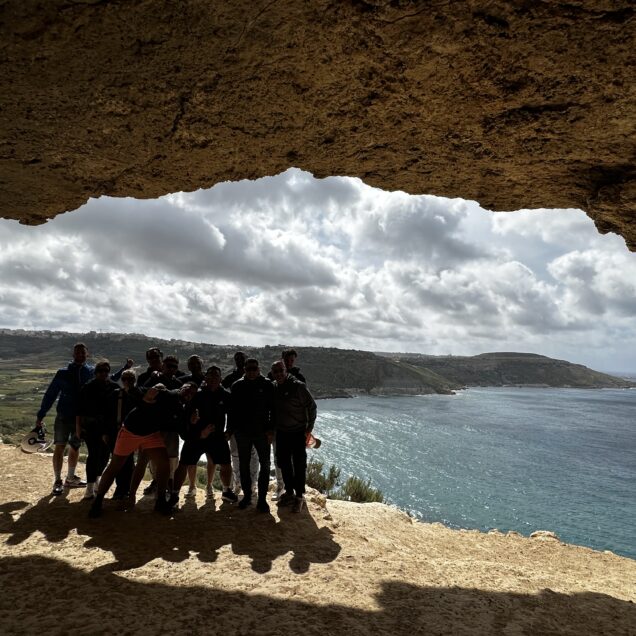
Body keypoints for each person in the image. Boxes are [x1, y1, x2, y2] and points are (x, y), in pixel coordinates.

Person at [88, 383, 186, 518]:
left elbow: (180, 426)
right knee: (115, 465)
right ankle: (98, 501)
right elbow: (134, 392)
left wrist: (191, 421)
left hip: (151, 434)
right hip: (130, 432)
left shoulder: (176, 404)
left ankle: (161, 500)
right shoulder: (155, 395)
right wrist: (146, 399)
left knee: (164, 463)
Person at [170, 366, 238, 505]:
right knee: (183, 464)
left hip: (217, 437)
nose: (213, 379)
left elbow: (232, 415)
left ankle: (226, 491)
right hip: (196, 436)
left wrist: (229, 431)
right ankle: (174, 494)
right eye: (210, 376)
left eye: (216, 376)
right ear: (205, 378)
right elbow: (185, 414)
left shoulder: (226, 395)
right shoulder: (197, 394)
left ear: (220, 378)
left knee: (226, 464)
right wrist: (192, 421)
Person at [35, 342, 92, 495]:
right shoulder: (63, 373)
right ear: (73, 355)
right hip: (63, 416)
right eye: (77, 352)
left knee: (75, 447)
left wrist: (123, 370)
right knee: (59, 446)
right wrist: (41, 414)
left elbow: (107, 379)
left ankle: (70, 478)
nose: (80, 355)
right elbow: (51, 394)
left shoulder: (91, 372)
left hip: (80, 419)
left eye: (83, 352)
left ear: (87, 354)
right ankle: (57, 480)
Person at [226, 358, 274, 512]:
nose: (252, 372)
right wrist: (230, 430)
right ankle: (247, 496)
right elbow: (232, 411)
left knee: (265, 465)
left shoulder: (267, 385)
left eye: (254, 368)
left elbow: (273, 409)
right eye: (249, 369)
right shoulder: (237, 386)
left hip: (262, 433)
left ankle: (262, 500)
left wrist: (270, 430)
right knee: (243, 465)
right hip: (243, 433)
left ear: (259, 369)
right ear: (244, 370)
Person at [270, 360, 317, 513]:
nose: (279, 374)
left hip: (297, 432)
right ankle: (289, 492)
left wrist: (309, 429)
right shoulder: (274, 387)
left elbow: (312, 407)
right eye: (275, 371)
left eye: (281, 370)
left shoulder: (298, 387)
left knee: (299, 465)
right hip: (282, 433)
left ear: (286, 370)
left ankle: (299, 496)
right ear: (272, 373)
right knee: (284, 464)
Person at [137, 355, 183, 495]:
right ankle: (156, 482)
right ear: (163, 366)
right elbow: (142, 391)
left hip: (171, 427)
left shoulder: (178, 383)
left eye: (174, 366)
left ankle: (168, 483)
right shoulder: (154, 379)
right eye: (169, 366)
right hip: (154, 426)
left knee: (172, 458)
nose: (172, 369)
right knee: (153, 458)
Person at [75, 359, 120, 500]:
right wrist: (78, 427)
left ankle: (96, 480)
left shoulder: (114, 387)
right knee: (94, 455)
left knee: (105, 456)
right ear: (95, 372)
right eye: (100, 371)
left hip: (109, 427)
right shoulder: (87, 387)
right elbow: (79, 409)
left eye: (106, 371)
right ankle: (90, 487)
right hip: (92, 427)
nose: (103, 373)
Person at [267, 348, 307, 498]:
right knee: (280, 460)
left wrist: (307, 428)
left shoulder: (299, 379)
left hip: (296, 428)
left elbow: (307, 405)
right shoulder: (272, 379)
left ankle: (298, 493)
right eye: (287, 360)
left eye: (292, 360)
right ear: (282, 359)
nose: (289, 363)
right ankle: (282, 488)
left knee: (297, 462)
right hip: (279, 428)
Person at [223, 351, 258, 498]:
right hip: (236, 425)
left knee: (253, 456)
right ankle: (238, 483)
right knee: (235, 455)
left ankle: (252, 484)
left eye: (242, 359)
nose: (239, 361)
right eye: (237, 358)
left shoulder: (258, 380)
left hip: (254, 426)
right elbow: (221, 391)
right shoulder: (231, 379)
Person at [180, 355, 214, 498]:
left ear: (202, 364)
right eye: (192, 363)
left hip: (209, 423)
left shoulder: (208, 380)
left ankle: (209, 486)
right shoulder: (184, 380)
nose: (194, 366)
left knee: (211, 457)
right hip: (192, 425)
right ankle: (192, 486)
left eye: (197, 363)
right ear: (188, 366)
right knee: (191, 459)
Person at [107, 369, 141, 500]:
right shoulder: (115, 394)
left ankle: (126, 489)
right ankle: (121, 489)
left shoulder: (138, 395)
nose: (127, 382)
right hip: (116, 432)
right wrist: (105, 432)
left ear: (134, 380)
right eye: (124, 379)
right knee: (118, 462)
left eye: (130, 379)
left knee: (129, 462)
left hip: (132, 433)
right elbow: (107, 414)